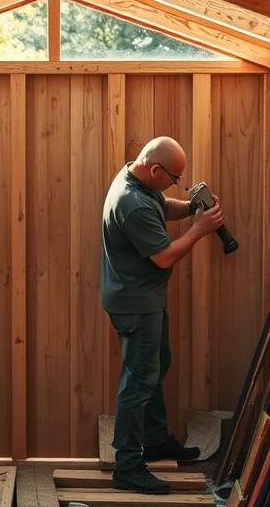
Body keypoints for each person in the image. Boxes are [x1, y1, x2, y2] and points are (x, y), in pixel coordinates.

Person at [100, 136, 226, 494]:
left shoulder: (135, 178)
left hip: (144, 298)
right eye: (173, 178)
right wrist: (200, 229)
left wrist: (189, 208)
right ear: (155, 169)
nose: (176, 185)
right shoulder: (131, 202)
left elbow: (162, 203)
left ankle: (154, 441)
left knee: (157, 365)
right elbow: (164, 256)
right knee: (139, 381)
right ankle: (127, 465)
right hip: (135, 304)